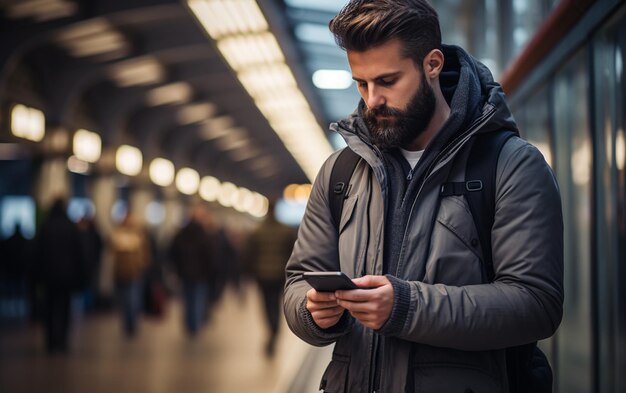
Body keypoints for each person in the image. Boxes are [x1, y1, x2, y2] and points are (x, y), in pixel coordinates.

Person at [283, 1, 564, 392]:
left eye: (387, 81)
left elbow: (536, 305)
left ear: (432, 64)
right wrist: (313, 312)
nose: (371, 100)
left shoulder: (510, 165)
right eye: (361, 84)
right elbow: (298, 281)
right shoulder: (340, 173)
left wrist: (407, 306)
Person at [35, 198, 88, 353]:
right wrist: (82, 274)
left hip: (49, 275)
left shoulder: (46, 227)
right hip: (67, 276)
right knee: (65, 308)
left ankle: (51, 341)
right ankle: (63, 340)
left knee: (49, 309)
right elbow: (79, 254)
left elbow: (38, 253)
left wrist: (37, 276)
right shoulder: (71, 227)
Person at [246, 199, 296, 357]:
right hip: (280, 276)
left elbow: (250, 255)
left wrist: (251, 272)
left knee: (266, 306)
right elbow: (292, 255)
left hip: (262, 276)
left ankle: (271, 329)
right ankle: (275, 330)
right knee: (276, 304)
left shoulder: (258, 231)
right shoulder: (286, 231)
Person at [169, 205, 214, 336]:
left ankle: (189, 323)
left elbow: (173, 252)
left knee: (187, 300)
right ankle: (194, 325)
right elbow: (210, 256)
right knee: (197, 299)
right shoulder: (204, 235)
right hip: (200, 274)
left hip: (184, 273)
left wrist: (177, 268)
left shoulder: (181, 234)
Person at [110, 210, 151, 337]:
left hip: (135, 272)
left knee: (133, 299)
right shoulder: (117, 233)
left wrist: (142, 266)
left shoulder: (139, 233)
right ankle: (127, 323)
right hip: (121, 272)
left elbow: (145, 253)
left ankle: (132, 323)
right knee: (123, 300)